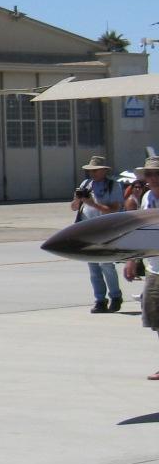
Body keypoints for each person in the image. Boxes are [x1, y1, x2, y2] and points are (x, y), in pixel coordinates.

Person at [72, 155, 123, 313]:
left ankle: (115, 296)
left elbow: (114, 209)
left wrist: (93, 203)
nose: (92, 174)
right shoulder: (86, 184)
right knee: (93, 267)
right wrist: (77, 199)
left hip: (106, 229)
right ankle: (100, 299)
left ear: (104, 171)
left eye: (95, 170)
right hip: (88, 230)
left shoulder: (113, 185)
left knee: (106, 265)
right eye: (90, 171)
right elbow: (74, 207)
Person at [124, 159, 159, 379]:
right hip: (155, 269)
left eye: (157, 174)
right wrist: (132, 259)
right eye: (149, 174)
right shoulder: (147, 198)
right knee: (156, 319)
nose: (153, 179)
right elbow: (141, 231)